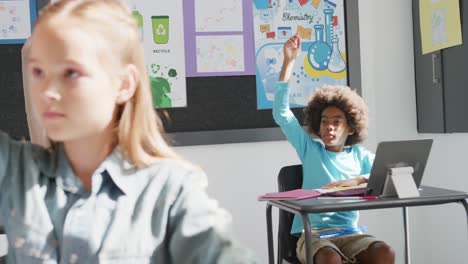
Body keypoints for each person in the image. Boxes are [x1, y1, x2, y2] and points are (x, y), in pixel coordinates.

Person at [2, 0, 258, 263]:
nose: (47, 92)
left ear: (124, 84)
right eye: (38, 71)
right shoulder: (15, 171)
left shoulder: (170, 190)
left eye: (71, 73)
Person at [273, 33, 395, 264]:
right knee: (329, 258)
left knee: (384, 252)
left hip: (350, 234)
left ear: (351, 128)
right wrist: (288, 62)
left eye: (337, 122)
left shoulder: (360, 156)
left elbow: (386, 173)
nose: (329, 127)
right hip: (314, 235)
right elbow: (281, 113)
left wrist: (355, 181)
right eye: (324, 121)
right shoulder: (311, 151)